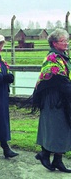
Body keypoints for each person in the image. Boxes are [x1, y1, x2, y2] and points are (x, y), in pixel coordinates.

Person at [31, 28, 71, 173]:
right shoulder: (53, 58)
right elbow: (61, 81)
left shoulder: (63, 56)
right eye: (63, 41)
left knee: (64, 128)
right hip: (54, 100)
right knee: (55, 128)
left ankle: (57, 160)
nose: (66, 43)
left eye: (66, 40)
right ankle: (45, 154)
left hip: (62, 98)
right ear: (54, 43)